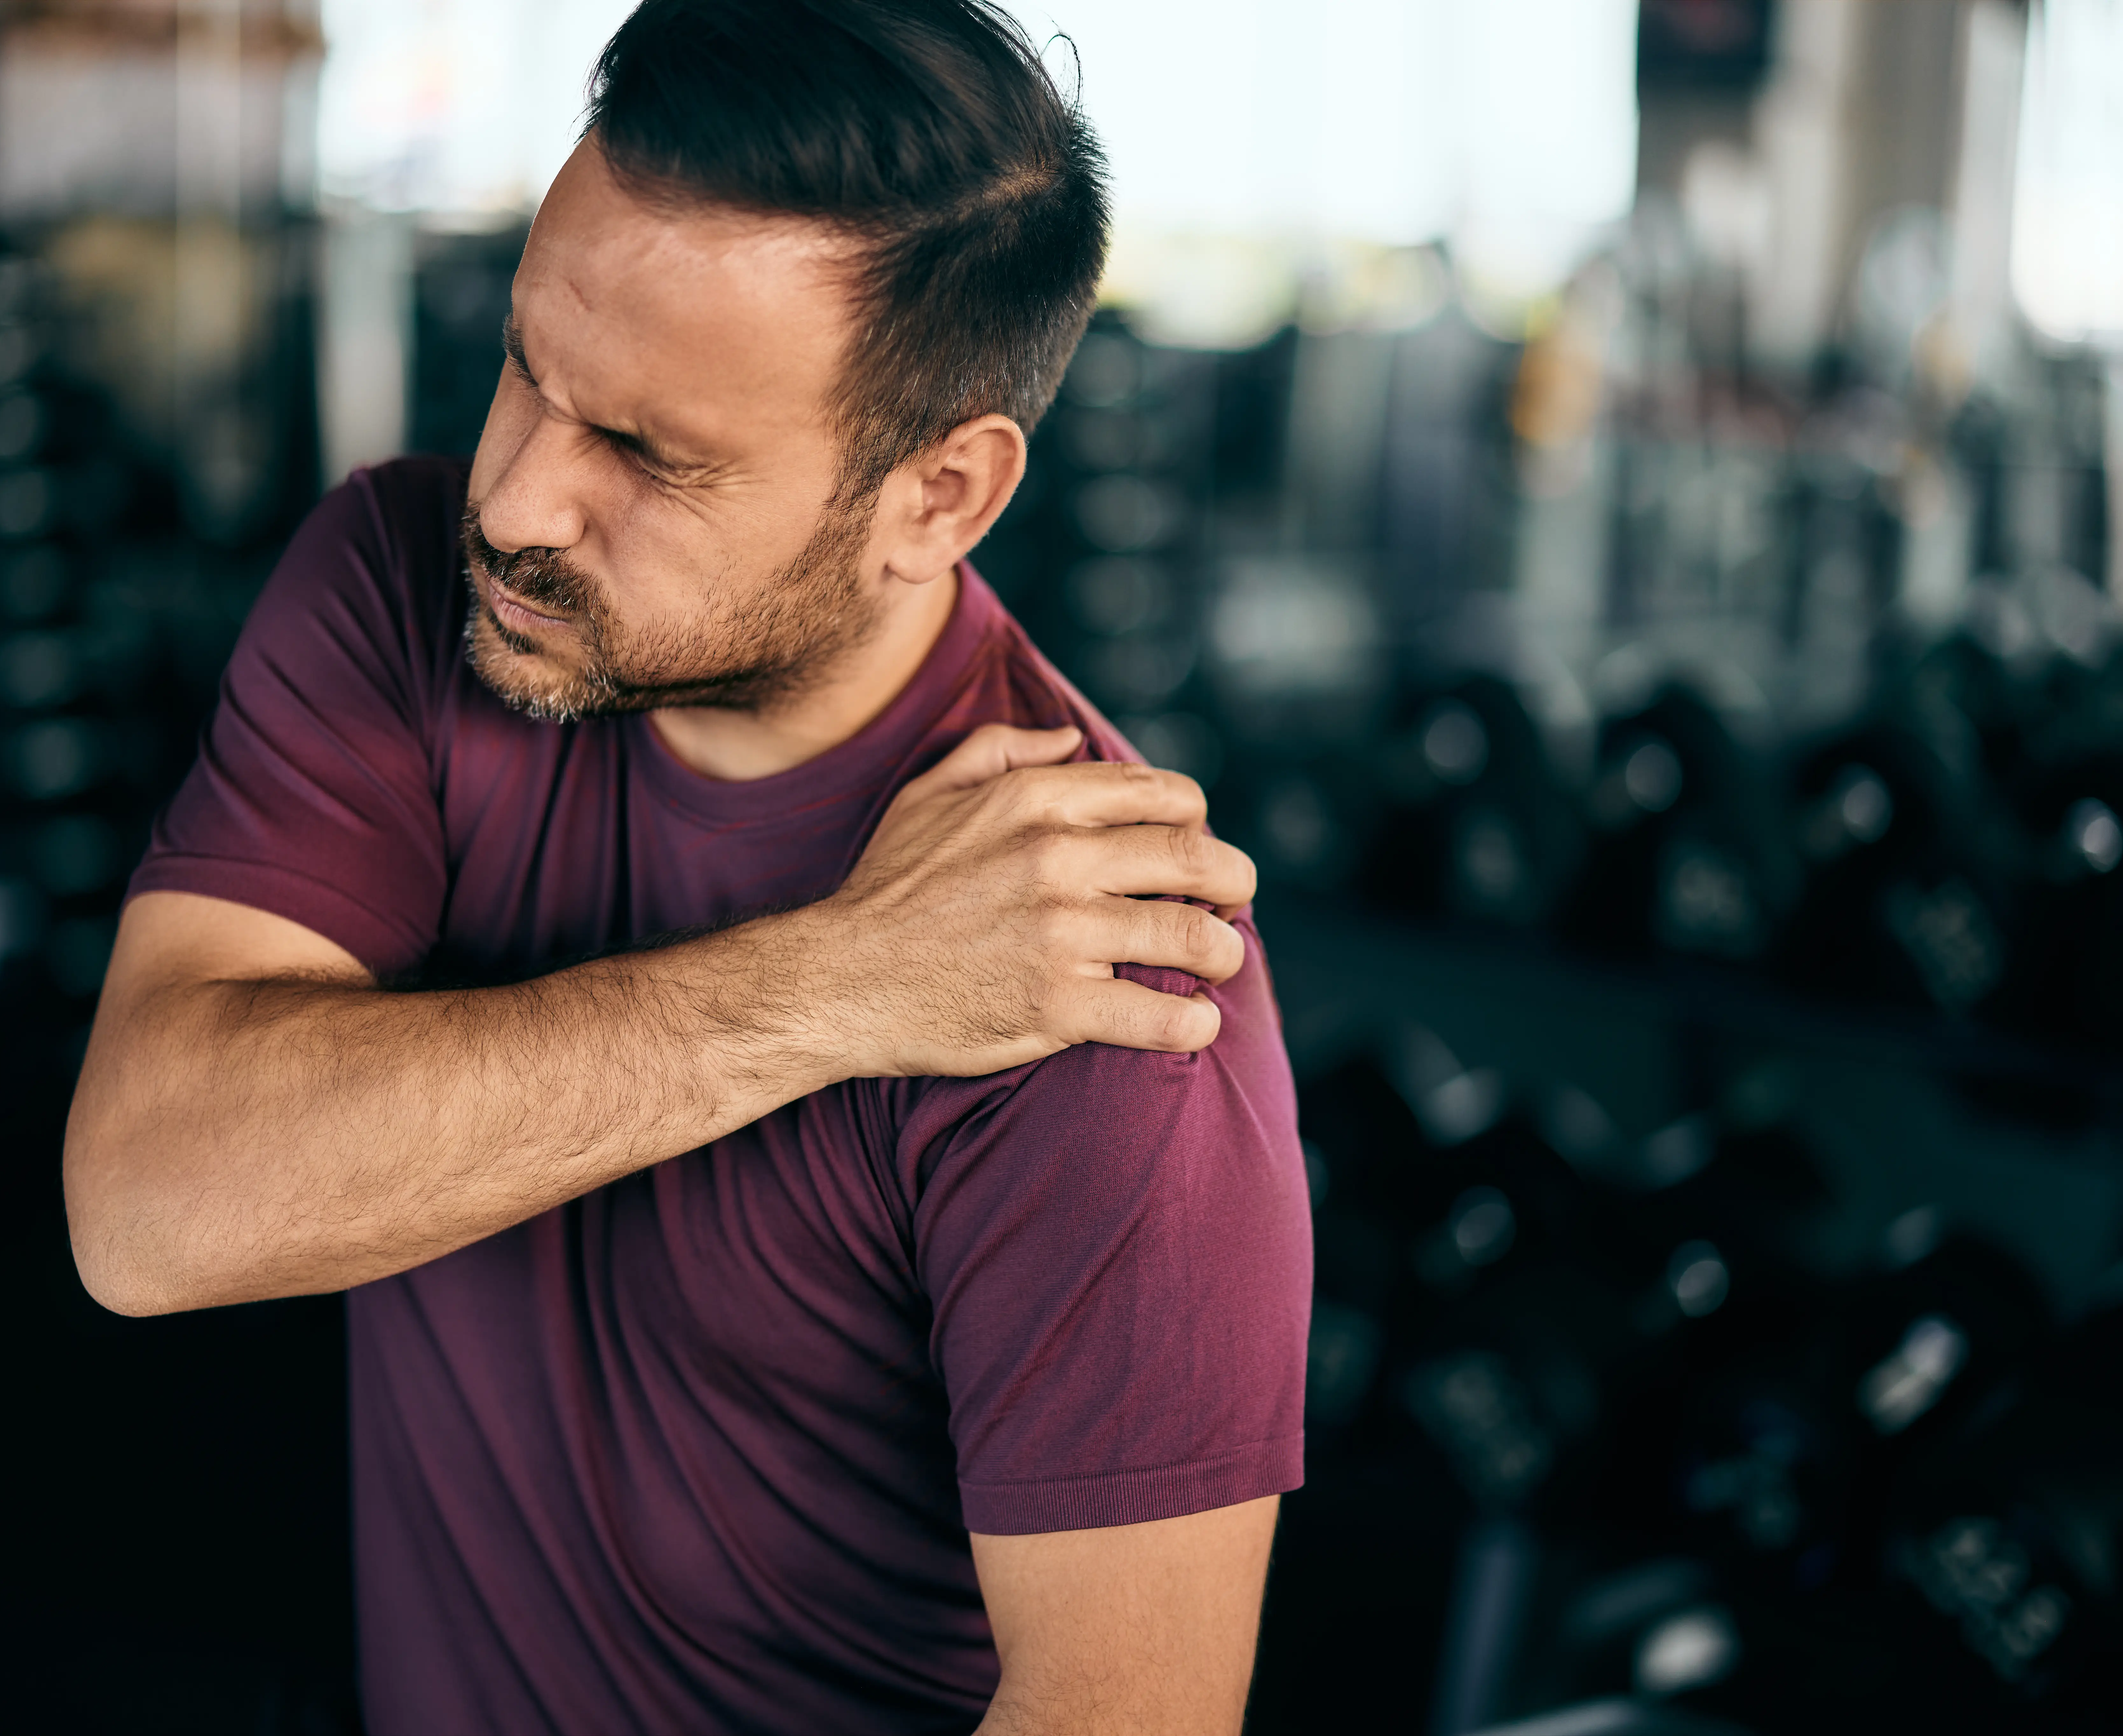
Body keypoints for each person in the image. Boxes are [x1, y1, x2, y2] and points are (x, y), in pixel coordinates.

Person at [63, 2, 1311, 1730]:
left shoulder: (1106, 984)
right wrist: (833, 986)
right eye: (524, 365)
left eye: (646, 454)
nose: (514, 500)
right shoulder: (401, 586)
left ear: (937, 499)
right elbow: (147, 1204)